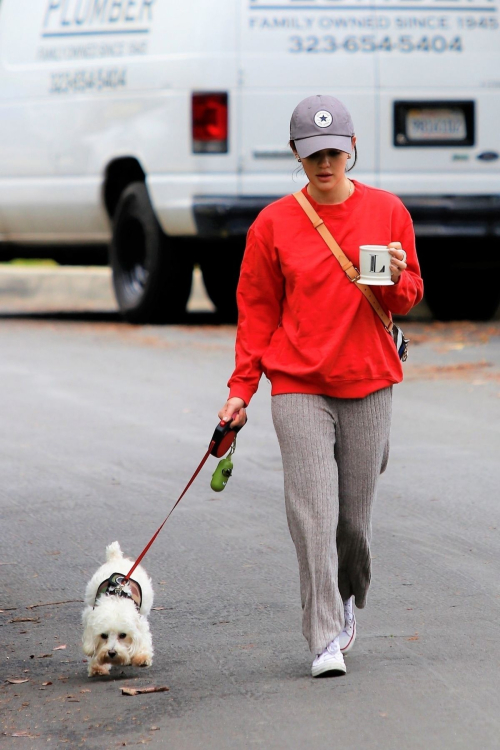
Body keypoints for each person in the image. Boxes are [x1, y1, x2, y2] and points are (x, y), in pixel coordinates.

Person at [218, 94, 423, 678]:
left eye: (334, 152)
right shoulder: (274, 224)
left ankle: (348, 596)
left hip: (368, 381)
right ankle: (323, 635)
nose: (325, 164)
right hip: (298, 385)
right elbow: (256, 312)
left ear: (352, 149)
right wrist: (241, 389)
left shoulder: (386, 212)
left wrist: (395, 275)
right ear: (296, 155)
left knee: (353, 523)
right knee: (312, 513)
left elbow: (406, 298)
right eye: (313, 155)